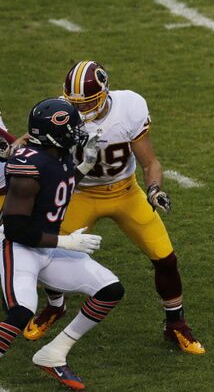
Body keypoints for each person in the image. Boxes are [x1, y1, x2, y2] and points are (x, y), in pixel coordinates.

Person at [23, 61, 205, 354]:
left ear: (104, 93)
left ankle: (175, 324)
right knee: (47, 255)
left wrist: (155, 189)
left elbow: (150, 162)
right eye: (75, 103)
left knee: (165, 258)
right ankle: (55, 306)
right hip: (79, 194)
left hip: (125, 190)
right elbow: (33, 143)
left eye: (88, 102)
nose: (80, 110)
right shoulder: (59, 112)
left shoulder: (129, 106)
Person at [1, 98, 124, 390]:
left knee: (109, 289)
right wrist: (66, 241)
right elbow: (17, 228)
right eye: (71, 128)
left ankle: (53, 354)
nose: (77, 133)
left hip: (45, 247)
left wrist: (84, 166)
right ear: (51, 133)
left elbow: (60, 184)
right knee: (22, 311)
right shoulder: (28, 167)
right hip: (15, 247)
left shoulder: (58, 154)